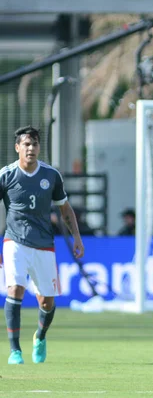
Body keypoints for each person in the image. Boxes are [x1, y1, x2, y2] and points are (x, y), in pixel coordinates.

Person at [1, 126, 85, 365]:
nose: (31, 149)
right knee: (14, 289)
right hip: (14, 241)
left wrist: (77, 237)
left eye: (35, 144)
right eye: (26, 144)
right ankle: (15, 351)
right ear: (17, 148)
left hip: (44, 245)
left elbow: (65, 209)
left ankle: (40, 336)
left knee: (47, 302)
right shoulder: (6, 175)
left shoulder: (51, 176)